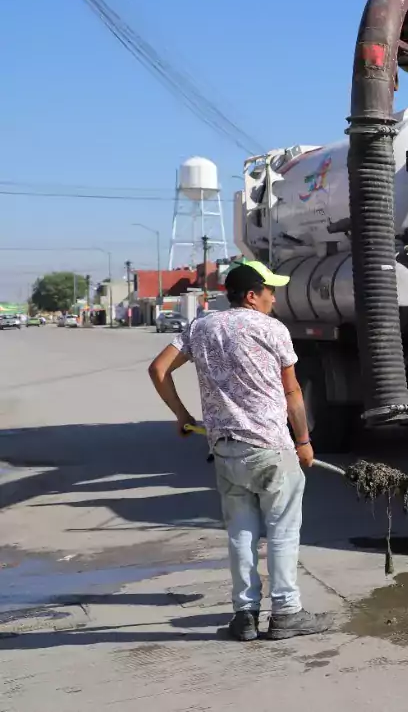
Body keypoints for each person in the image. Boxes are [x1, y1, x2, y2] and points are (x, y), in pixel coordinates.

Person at [148, 260, 333, 641]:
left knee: (241, 534)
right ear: (252, 295)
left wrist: (183, 416)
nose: (274, 298)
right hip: (271, 448)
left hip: (227, 450)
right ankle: (286, 613)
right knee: (282, 531)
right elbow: (293, 392)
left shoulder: (201, 327)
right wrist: (303, 442)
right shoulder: (272, 329)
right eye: (270, 291)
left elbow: (159, 369)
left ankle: (245, 616)